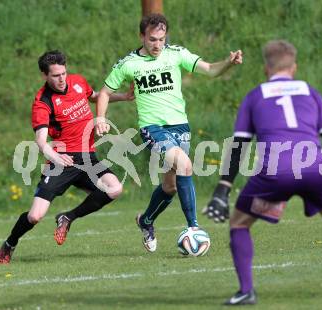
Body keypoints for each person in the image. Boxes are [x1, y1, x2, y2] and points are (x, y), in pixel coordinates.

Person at [204, 40, 322, 305]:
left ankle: (247, 290)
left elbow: (239, 145)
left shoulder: (255, 96)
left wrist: (223, 187)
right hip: (315, 169)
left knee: (239, 223)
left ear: (265, 69)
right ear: (294, 67)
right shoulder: (310, 92)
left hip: (275, 173)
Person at [96, 13, 242, 252]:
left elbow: (210, 70)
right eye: (153, 39)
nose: (157, 45)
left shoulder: (176, 54)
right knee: (185, 165)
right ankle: (193, 227)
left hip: (180, 127)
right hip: (152, 128)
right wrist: (100, 118)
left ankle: (146, 221)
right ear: (142, 36)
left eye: (161, 39)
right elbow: (103, 93)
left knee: (170, 186)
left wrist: (228, 62)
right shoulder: (128, 64)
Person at [0, 50, 133, 264]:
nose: (62, 79)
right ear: (44, 75)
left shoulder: (78, 82)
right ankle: (10, 243)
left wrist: (123, 97)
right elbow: (41, 141)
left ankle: (67, 217)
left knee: (114, 188)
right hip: (61, 162)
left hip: (87, 159)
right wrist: (56, 158)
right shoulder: (42, 102)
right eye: (55, 76)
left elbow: (95, 96)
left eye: (63, 73)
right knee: (35, 216)